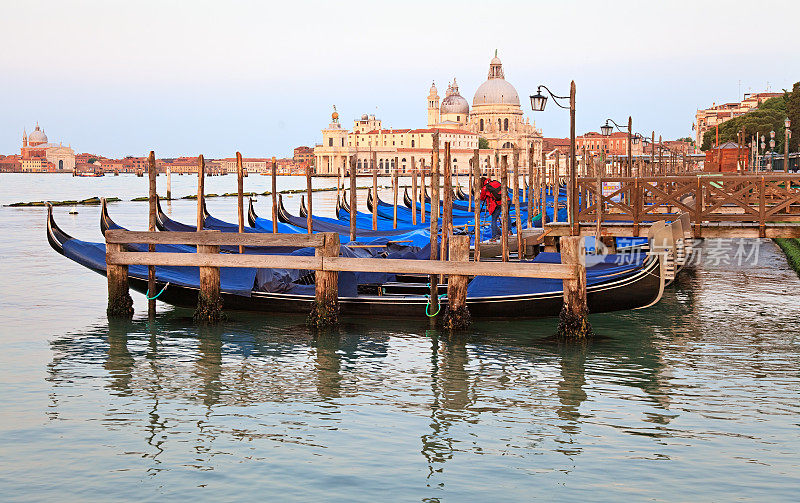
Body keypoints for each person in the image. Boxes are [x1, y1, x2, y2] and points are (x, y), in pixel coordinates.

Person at [479, 176, 509, 242]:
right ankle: (509, 231)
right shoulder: (495, 182)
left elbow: (482, 198)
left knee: (494, 220)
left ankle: (494, 237)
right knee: (507, 215)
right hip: (505, 201)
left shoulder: (485, 188)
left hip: (497, 204)